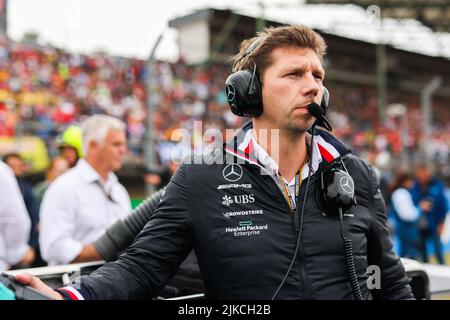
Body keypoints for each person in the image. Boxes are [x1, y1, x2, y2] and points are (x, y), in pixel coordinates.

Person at [16, 25, 413, 300]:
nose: (313, 86)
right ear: (249, 94)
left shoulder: (357, 175)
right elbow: (142, 268)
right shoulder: (202, 177)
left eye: (317, 75)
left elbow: (392, 281)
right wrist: (73, 296)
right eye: (293, 74)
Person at [38, 114, 132, 266]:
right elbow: (53, 247)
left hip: (116, 281)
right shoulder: (64, 187)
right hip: (76, 284)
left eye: (124, 144)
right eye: (116, 144)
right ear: (93, 146)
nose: (123, 150)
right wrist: (104, 250)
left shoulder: (118, 190)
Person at [3, 153, 39, 268]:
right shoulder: (4, 177)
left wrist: (31, 246)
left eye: (18, 165)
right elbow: (15, 219)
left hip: (20, 249)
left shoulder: (27, 188)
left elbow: (33, 217)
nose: (15, 168)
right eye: (12, 165)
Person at [411, 163, 449, 265]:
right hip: (419, 225)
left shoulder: (437, 185)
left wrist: (441, 224)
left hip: (434, 224)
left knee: (438, 251)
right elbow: (411, 203)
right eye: (418, 174)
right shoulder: (414, 186)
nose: (421, 176)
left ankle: (444, 271)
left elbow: (443, 206)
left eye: (423, 174)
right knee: (422, 252)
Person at [388, 171, 420, 259]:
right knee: (407, 258)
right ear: (405, 181)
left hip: (404, 230)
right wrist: (420, 210)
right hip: (405, 230)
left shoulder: (401, 192)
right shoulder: (401, 193)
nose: (412, 183)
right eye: (411, 180)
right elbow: (406, 215)